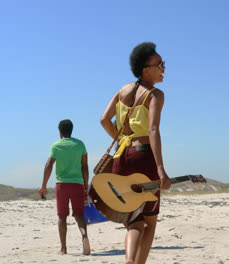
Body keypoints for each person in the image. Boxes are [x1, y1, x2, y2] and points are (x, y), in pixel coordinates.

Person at [100, 42, 171, 264]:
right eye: (159, 64)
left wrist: (121, 140)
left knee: (133, 219)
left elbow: (104, 120)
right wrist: (160, 168)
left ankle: (129, 260)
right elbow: (152, 129)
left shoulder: (123, 91)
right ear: (144, 68)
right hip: (143, 157)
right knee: (150, 220)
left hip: (122, 158)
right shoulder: (155, 95)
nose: (163, 68)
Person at [39, 119, 91, 255]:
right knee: (79, 214)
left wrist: (43, 186)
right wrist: (86, 186)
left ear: (60, 131)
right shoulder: (80, 144)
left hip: (61, 185)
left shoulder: (56, 145)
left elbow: (49, 164)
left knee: (62, 216)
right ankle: (84, 236)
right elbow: (85, 167)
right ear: (71, 130)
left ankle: (63, 248)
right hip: (77, 184)